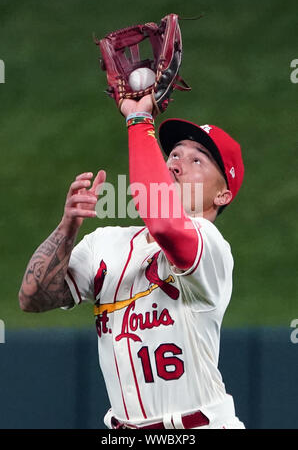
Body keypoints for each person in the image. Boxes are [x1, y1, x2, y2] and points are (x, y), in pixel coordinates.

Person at [19, 94, 245, 429]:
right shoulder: (105, 243)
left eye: (198, 161)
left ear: (222, 195)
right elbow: (32, 298)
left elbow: (164, 221)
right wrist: (67, 228)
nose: (176, 164)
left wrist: (139, 120)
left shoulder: (210, 248)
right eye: (174, 155)